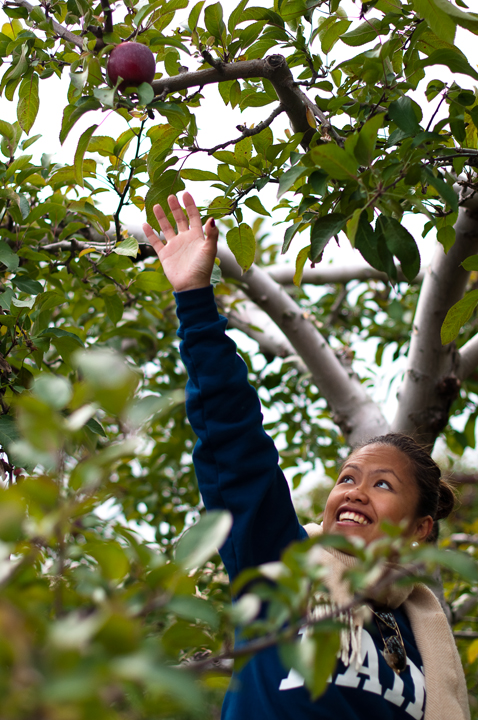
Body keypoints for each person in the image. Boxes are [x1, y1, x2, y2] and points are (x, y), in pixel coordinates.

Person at [142, 193, 470, 720]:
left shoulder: (423, 640)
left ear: (418, 529)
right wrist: (195, 302)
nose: (354, 491)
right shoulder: (277, 562)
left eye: (383, 485)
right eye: (348, 477)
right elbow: (236, 443)